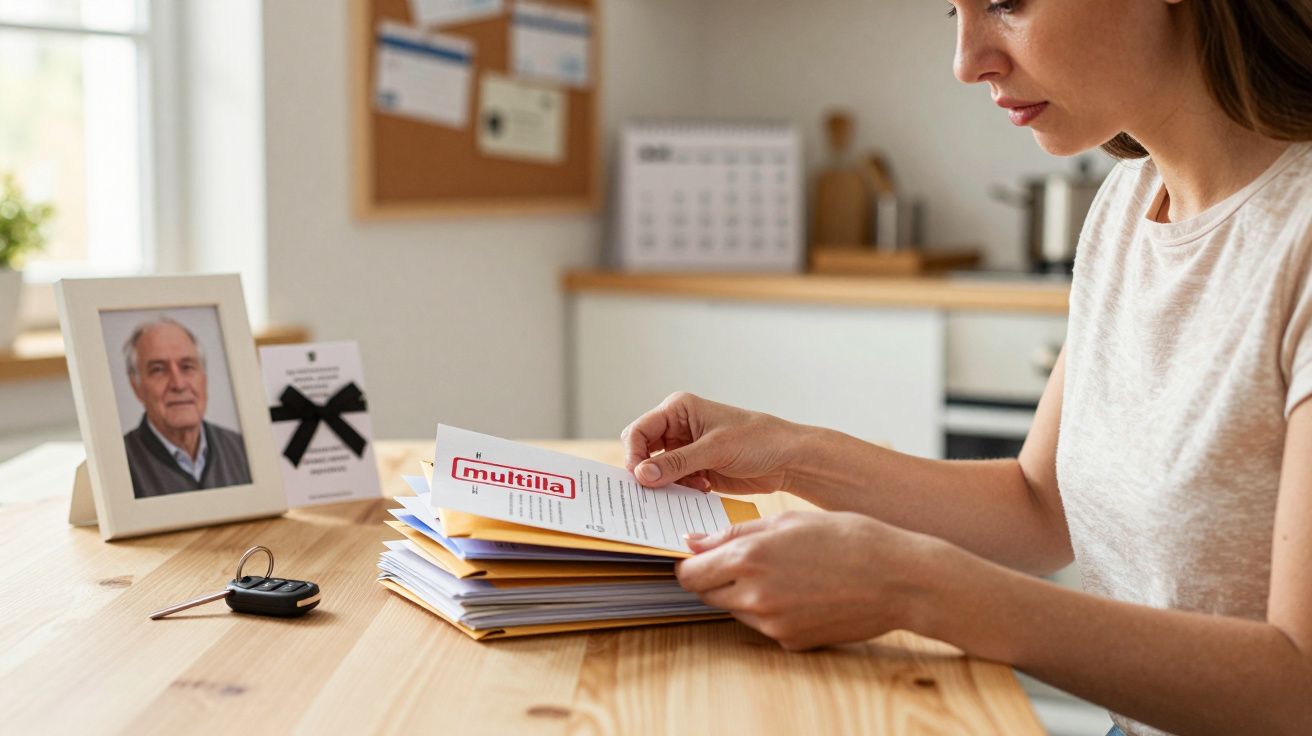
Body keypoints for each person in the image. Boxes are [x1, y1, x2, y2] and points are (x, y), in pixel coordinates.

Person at [620, 2, 1312, 734]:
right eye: (955, 9)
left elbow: (1297, 686)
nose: (966, 60)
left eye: (1007, 3)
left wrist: (917, 587)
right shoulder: (1130, 204)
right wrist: (789, 453)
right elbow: (1040, 507)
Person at [121, 317, 251, 498]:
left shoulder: (244, 450)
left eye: (187, 367)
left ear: (204, 379)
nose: (179, 384)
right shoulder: (119, 465)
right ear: (136, 386)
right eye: (158, 369)